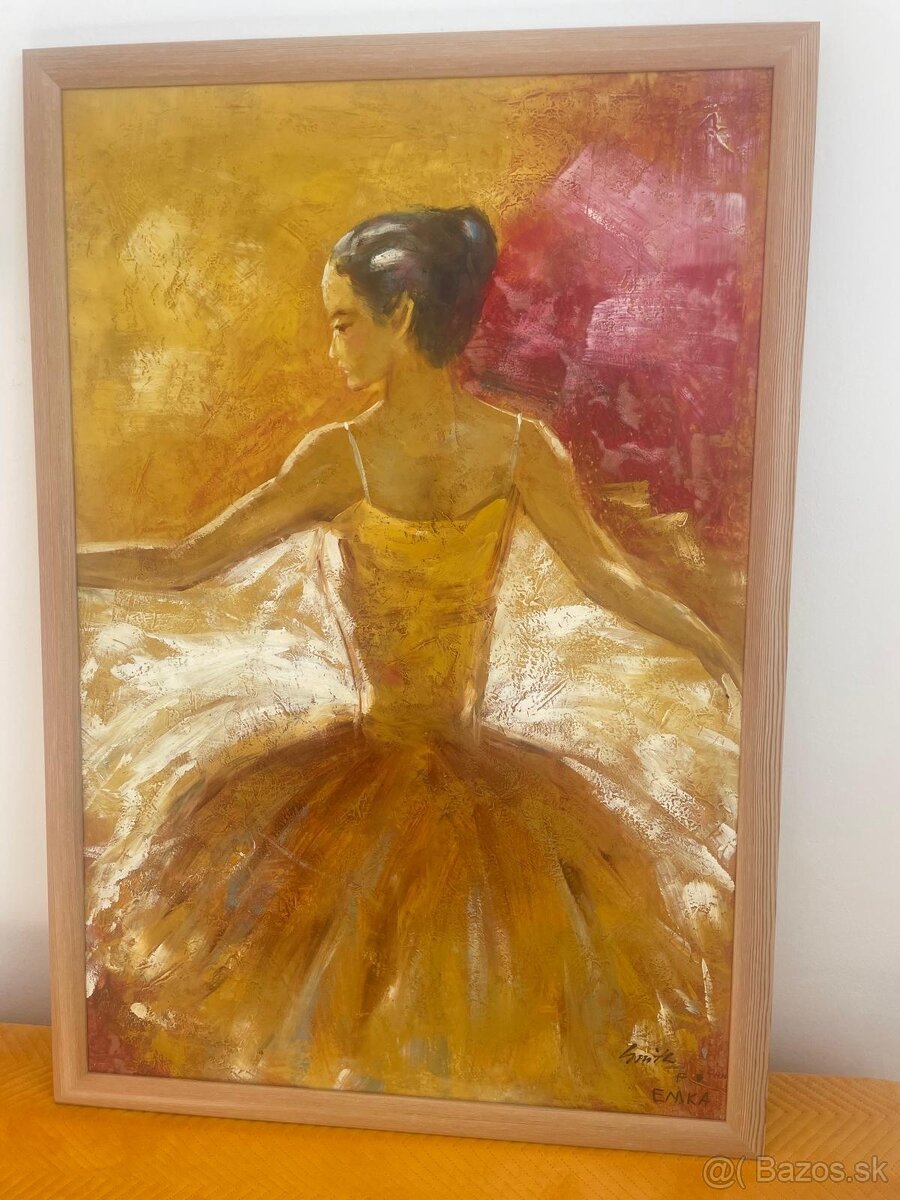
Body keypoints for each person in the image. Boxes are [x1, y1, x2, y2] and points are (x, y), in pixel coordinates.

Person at [79, 206, 741, 1111]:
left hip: (474, 791)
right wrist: (51, 560)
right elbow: (184, 562)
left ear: (401, 316)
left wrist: (707, 639)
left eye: (344, 322)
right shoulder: (376, 456)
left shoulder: (501, 452)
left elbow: (608, 580)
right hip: (372, 776)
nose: (332, 349)